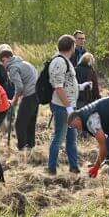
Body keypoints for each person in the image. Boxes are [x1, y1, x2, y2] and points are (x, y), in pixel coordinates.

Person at [45, 35, 81, 175]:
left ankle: (74, 167)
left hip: (68, 105)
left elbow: (67, 83)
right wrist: (69, 108)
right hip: (63, 107)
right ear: (71, 47)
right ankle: (52, 169)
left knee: (72, 138)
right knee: (59, 137)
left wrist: (81, 87)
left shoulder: (65, 60)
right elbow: (58, 88)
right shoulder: (59, 62)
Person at [3, 48, 39, 150]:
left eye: (3, 60)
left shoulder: (13, 68)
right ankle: (30, 147)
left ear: (9, 58)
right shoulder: (24, 62)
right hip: (36, 95)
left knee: (19, 124)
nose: (2, 64)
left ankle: (22, 148)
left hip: (29, 96)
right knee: (30, 123)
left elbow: (19, 87)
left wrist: (14, 100)